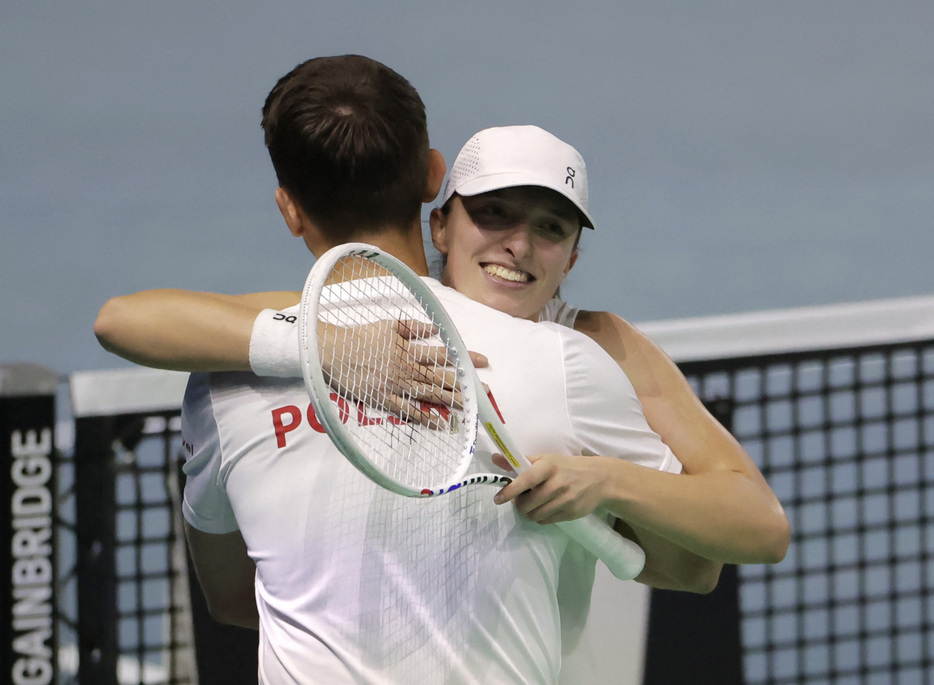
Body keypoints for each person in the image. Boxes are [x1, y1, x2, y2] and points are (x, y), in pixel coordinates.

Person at [98, 54, 691, 684]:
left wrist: (317, 347)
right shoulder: (563, 359)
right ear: (434, 176)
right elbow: (691, 567)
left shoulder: (222, 385)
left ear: (289, 208)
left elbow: (232, 598)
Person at [96, 124, 790, 571]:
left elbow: (743, 534)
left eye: (550, 228)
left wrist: (606, 480)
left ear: (572, 258)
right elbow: (129, 319)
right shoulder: (369, 308)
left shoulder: (595, 347)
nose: (518, 244)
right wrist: (326, 347)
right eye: (494, 214)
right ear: (441, 226)